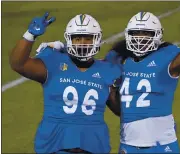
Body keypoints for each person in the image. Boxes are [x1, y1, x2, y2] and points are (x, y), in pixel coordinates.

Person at [35, 3, 180, 153]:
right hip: (129, 143)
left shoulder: (167, 58)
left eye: (146, 34)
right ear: (128, 34)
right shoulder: (118, 59)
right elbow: (88, 61)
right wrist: (63, 48)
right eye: (136, 33)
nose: (140, 38)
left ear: (156, 36)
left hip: (162, 143)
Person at [9, 12, 121, 154]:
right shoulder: (53, 62)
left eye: (87, 38)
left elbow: (120, 110)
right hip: (55, 147)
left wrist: (119, 89)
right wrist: (30, 35)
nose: (82, 43)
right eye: (77, 38)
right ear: (69, 40)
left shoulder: (107, 70)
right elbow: (18, 64)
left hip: (93, 147)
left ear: (97, 39)